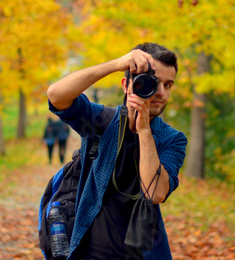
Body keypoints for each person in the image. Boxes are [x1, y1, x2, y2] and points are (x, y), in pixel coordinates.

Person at [47, 42, 187, 260]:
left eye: (168, 85)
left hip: (142, 254)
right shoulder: (101, 122)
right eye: (153, 82)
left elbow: (155, 193)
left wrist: (144, 130)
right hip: (89, 253)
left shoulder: (173, 140)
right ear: (126, 85)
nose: (160, 92)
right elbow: (56, 95)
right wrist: (116, 63)